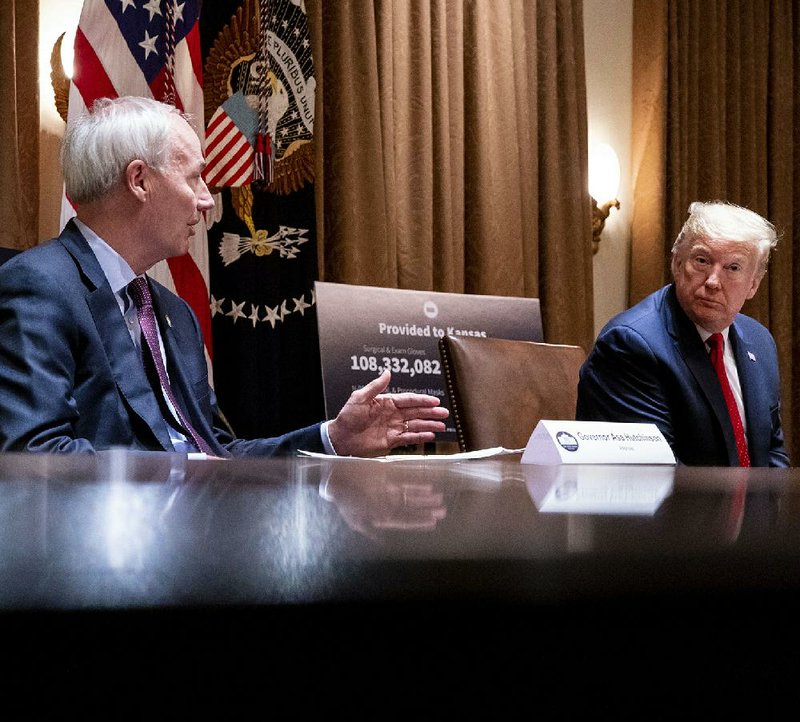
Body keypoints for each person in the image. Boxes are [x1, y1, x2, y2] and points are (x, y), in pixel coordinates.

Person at [0, 96, 448, 457]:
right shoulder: (40, 286)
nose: (207, 200)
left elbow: (217, 452)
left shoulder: (171, 312)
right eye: (194, 178)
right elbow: (34, 453)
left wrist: (333, 439)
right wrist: (185, 479)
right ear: (139, 180)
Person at [577, 201, 789, 467]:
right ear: (677, 264)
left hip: (750, 507)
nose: (713, 281)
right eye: (702, 261)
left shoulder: (759, 341)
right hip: (679, 508)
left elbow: (772, 453)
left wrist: (773, 508)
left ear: (753, 285)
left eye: (732, 268)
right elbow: (655, 473)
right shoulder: (631, 345)